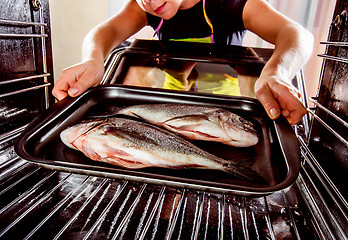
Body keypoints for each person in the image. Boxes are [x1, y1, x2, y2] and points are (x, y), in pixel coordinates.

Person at [52, 0, 314, 125]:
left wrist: (278, 72)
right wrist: (94, 59)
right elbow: (104, 32)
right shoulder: (145, 7)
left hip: (223, 108)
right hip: (170, 103)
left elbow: (296, 35)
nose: (150, 2)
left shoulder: (232, 4)